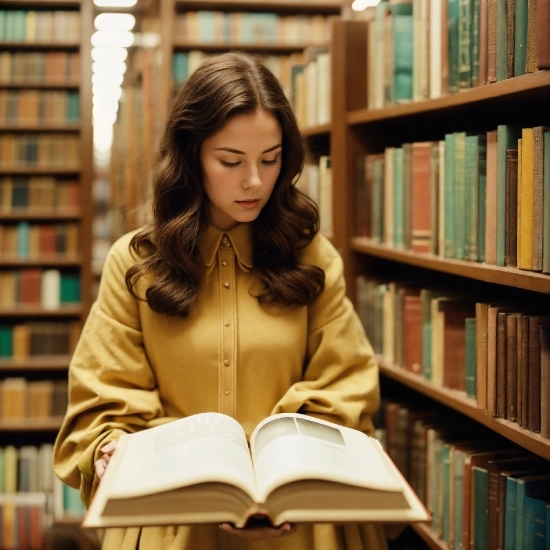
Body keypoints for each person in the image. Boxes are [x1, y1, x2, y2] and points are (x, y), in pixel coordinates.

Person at [53, 51, 388, 550]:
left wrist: (293, 478)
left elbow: (347, 385)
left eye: (270, 160)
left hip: (300, 525)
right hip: (173, 521)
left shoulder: (314, 256)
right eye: (231, 161)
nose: (254, 181)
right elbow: (103, 396)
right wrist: (109, 449)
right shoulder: (135, 262)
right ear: (192, 156)